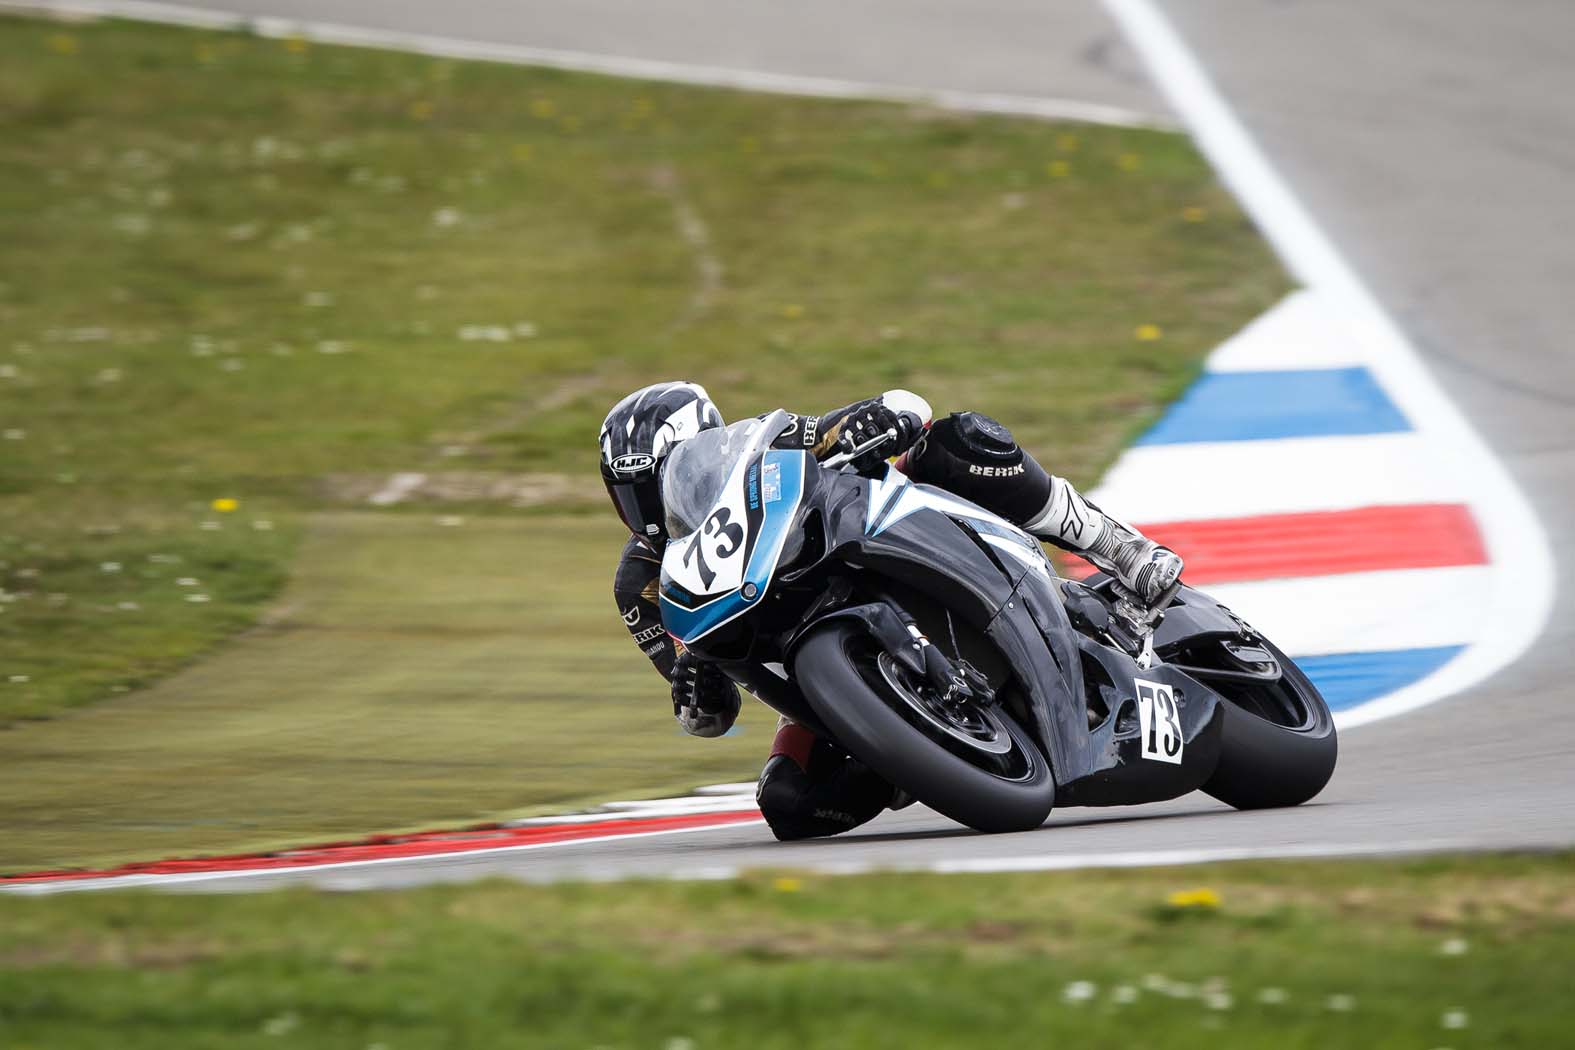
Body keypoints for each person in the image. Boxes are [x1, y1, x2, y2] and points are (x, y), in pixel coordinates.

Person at [600, 381, 1183, 841]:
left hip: (868, 554)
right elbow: (710, 718)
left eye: (654, 483)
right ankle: (918, 750)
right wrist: (694, 688)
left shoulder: (759, 458)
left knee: (961, 441)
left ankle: (1120, 550)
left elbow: (870, 417)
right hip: (809, 672)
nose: (646, 507)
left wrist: (885, 417)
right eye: (628, 493)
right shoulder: (642, 587)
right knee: (791, 806)